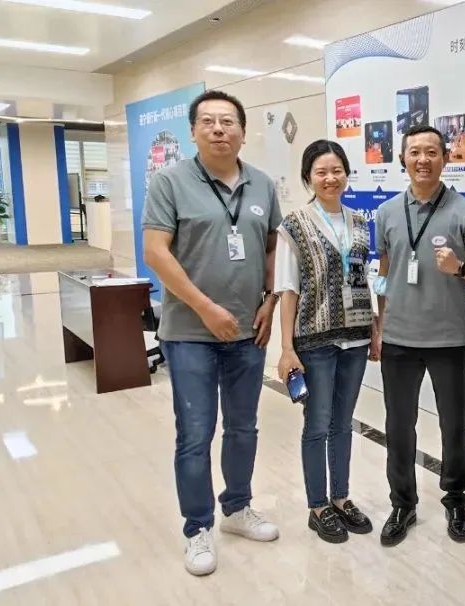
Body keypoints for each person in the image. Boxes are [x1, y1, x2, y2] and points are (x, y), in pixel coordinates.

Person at [142, 90, 282, 576]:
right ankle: (197, 527)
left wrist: (269, 300)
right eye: (208, 121)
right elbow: (156, 252)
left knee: (243, 426)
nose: (219, 129)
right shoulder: (170, 182)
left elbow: (271, 247)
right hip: (189, 333)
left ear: (242, 131)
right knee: (196, 432)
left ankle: (237, 508)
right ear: (193, 131)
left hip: (248, 332)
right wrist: (205, 309)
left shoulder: (262, 184)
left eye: (228, 121)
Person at [372, 125, 465, 547]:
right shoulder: (387, 212)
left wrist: (459, 268)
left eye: (431, 152)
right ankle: (402, 503)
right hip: (399, 338)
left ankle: (456, 501)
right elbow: (385, 270)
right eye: (415, 152)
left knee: (454, 426)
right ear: (403, 159)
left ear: (445, 158)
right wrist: (379, 321)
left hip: (448, 339)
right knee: (398, 426)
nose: (423, 160)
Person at [275, 140, 374, 545]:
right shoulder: (295, 225)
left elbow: (362, 279)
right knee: (317, 424)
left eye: (337, 170)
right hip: (314, 340)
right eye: (321, 172)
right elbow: (288, 290)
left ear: (346, 174)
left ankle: (341, 497)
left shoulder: (359, 221)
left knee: (343, 423)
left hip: (356, 338)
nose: (330, 178)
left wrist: (374, 328)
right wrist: (287, 348)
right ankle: (318, 506)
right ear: (308, 178)